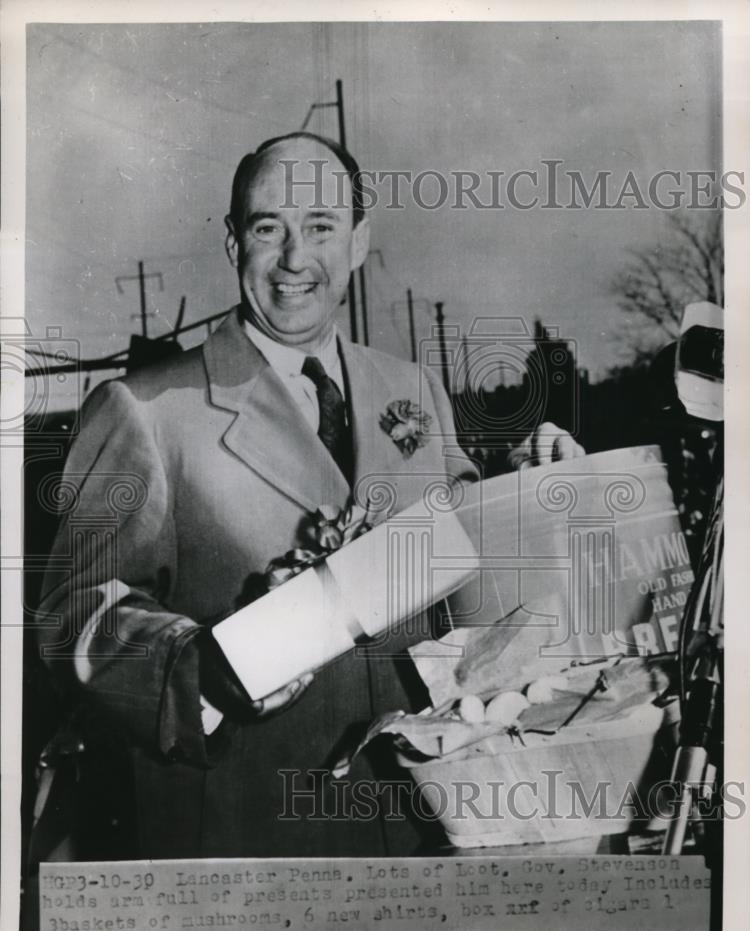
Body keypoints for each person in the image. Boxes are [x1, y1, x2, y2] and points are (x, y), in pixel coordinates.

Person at [36, 133, 582, 860]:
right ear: (234, 245)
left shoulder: (410, 388)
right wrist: (200, 668)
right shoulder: (144, 409)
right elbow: (71, 618)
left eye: (320, 227)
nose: (295, 259)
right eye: (269, 229)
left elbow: (468, 591)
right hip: (251, 837)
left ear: (358, 242)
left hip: (429, 828)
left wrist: (537, 489)